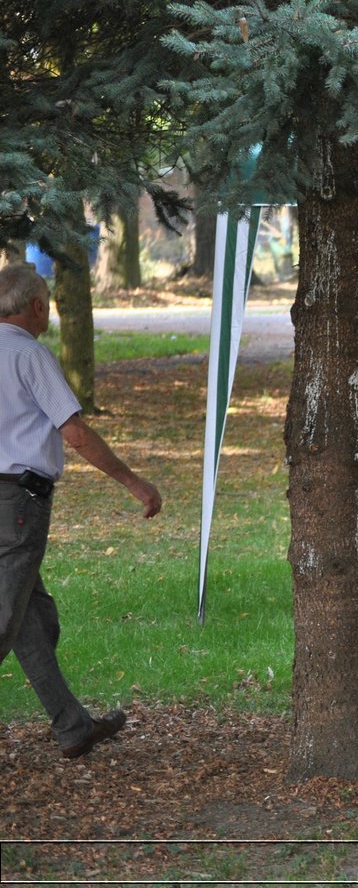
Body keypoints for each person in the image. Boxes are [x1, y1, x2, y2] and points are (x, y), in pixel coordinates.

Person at [0, 263, 162, 758]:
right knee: (8, 618)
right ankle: (73, 727)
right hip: (18, 503)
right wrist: (135, 483)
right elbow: (74, 432)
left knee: (33, 617)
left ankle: (73, 728)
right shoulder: (30, 354)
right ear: (37, 307)